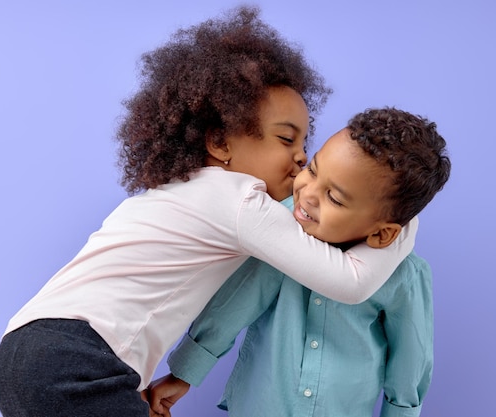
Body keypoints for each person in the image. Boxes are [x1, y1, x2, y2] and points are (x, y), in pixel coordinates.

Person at [0, 7, 418, 417]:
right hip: (76, 361)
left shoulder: (180, 190)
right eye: (286, 140)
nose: (300, 159)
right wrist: (406, 222)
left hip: (29, 347)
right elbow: (348, 281)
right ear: (220, 142)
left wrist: (131, 382)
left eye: (305, 144)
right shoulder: (238, 200)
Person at [147, 107, 451, 417]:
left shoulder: (405, 276)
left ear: (383, 234)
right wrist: (183, 374)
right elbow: (234, 304)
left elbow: (410, 360)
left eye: (334, 198)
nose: (307, 193)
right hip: (260, 406)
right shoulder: (277, 232)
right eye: (313, 170)